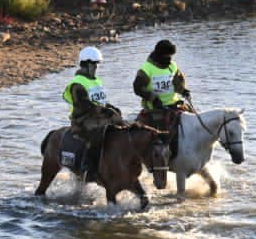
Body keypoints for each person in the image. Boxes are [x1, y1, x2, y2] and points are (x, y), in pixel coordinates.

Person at [64, 46, 122, 181]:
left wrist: (112, 108)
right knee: (97, 136)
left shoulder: (96, 80)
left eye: (97, 64)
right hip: (83, 120)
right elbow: (85, 105)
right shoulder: (77, 84)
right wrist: (105, 111)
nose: (97, 67)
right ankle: (89, 169)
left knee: (123, 127)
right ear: (86, 64)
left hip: (97, 117)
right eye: (94, 64)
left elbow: (100, 101)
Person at [133, 39, 193, 154]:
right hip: (156, 109)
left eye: (171, 56)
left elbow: (177, 83)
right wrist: (153, 99)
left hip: (174, 104)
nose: (170, 59)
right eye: (167, 56)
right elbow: (138, 88)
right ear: (159, 55)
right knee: (163, 135)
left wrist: (183, 91)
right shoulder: (146, 69)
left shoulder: (173, 66)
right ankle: (165, 157)